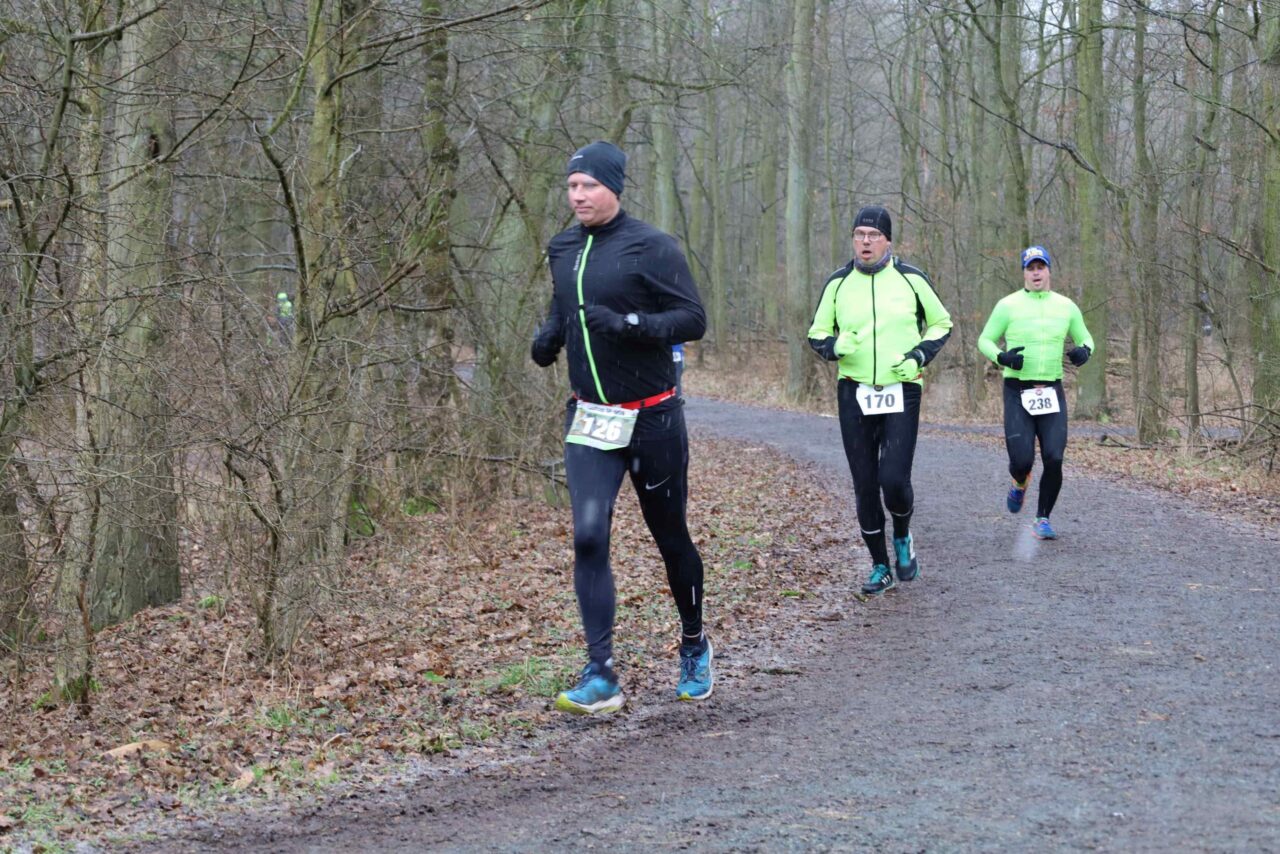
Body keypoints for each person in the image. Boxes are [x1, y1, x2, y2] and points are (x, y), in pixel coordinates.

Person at [530, 141, 711, 714]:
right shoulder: (562, 248)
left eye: (588, 186)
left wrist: (630, 323)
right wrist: (550, 334)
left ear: (614, 188)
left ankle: (693, 642)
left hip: (653, 417)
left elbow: (693, 319)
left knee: (670, 536)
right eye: (571, 186)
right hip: (590, 418)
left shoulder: (652, 246)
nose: (577, 196)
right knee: (587, 535)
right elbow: (568, 304)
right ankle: (601, 673)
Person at [807, 205, 952, 595]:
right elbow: (816, 333)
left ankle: (902, 534)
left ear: (888, 240)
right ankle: (880, 565)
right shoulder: (838, 283)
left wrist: (918, 357)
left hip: (901, 389)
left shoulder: (911, 279)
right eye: (859, 234)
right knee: (865, 483)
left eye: (873, 235)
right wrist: (837, 346)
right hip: (854, 391)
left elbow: (942, 322)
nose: (865, 242)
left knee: (893, 478)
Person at [978, 245, 1094, 540]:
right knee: (1022, 461)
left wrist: (1084, 351)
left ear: (1049, 271)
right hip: (1018, 390)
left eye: (1040, 267)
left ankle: (1042, 518)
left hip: (1051, 390)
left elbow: (1086, 338)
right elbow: (985, 340)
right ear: (1024, 273)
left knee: (1054, 457)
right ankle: (1019, 483)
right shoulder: (1008, 305)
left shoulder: (1066, 306)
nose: (1036, 273)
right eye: (1030, 268)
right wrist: (1001, 358)